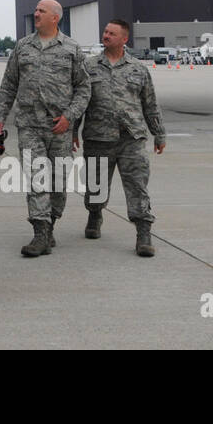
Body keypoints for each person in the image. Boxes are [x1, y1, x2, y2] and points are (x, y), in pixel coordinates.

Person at [0, 0, 90, 256]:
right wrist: (0, 114)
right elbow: (9, 84)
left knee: (58, 183)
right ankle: (40, 233)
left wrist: (69, 117)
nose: (36, 13)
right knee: (37, 179)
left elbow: (83, 88)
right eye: (35, 10)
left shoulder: (71, 48)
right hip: (29, 125)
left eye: (41, 11)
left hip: (60, 127)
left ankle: (50, 225)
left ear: (55, 17)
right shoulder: (23, 47)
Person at [73, 18, 166, 256]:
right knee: (96, 186)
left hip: (131, 138)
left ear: (124, 39)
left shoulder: (138, 69)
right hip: (97, 137)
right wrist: (72, 130)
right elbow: (79, 102)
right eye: (105, 32)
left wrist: (158, 133)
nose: (106, 36)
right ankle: (95, 215)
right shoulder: (88, 67)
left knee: (137, 186)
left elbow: (150, 103)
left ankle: (143, 232)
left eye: (112, 33)